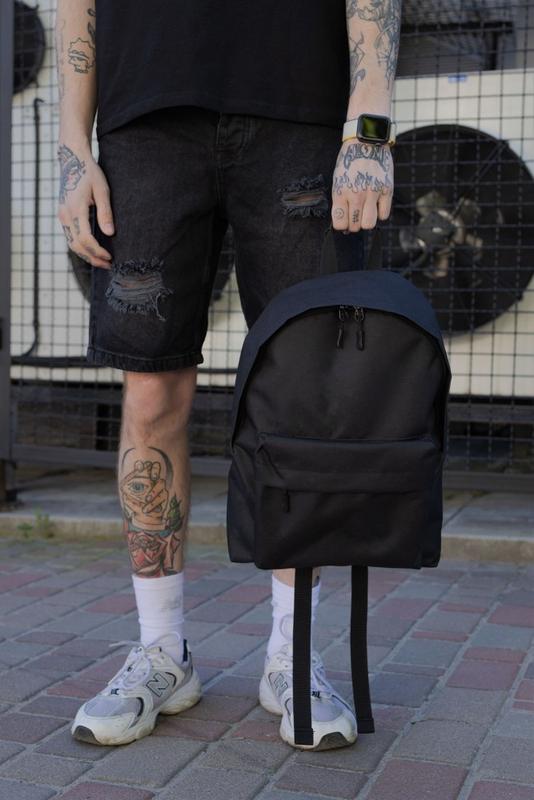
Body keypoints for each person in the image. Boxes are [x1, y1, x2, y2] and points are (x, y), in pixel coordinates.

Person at [55, 0, 401, 751]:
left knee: (300, 393)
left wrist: (368, 125)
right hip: (146, 116)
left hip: (300, 107)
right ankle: (162, 652)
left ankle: (291, 655)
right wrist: (73, 150)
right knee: (151, 390)